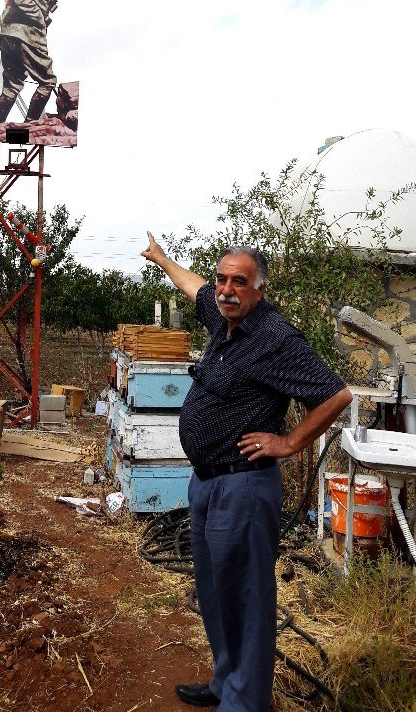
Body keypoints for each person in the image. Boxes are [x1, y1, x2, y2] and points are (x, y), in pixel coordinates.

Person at [141, 232, 352, 712]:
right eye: (222, 279)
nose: (226, 289)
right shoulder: (225, 320)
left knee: (247, 597)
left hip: (244, 486)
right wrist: (161, 259)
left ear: (259, 290)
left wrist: (290, 442)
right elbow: (193, 286)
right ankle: (226, 682)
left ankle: (245, 702)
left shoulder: (275, 338)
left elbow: (336, 395)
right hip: (208, 482)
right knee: (216, 592)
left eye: (239, 282)